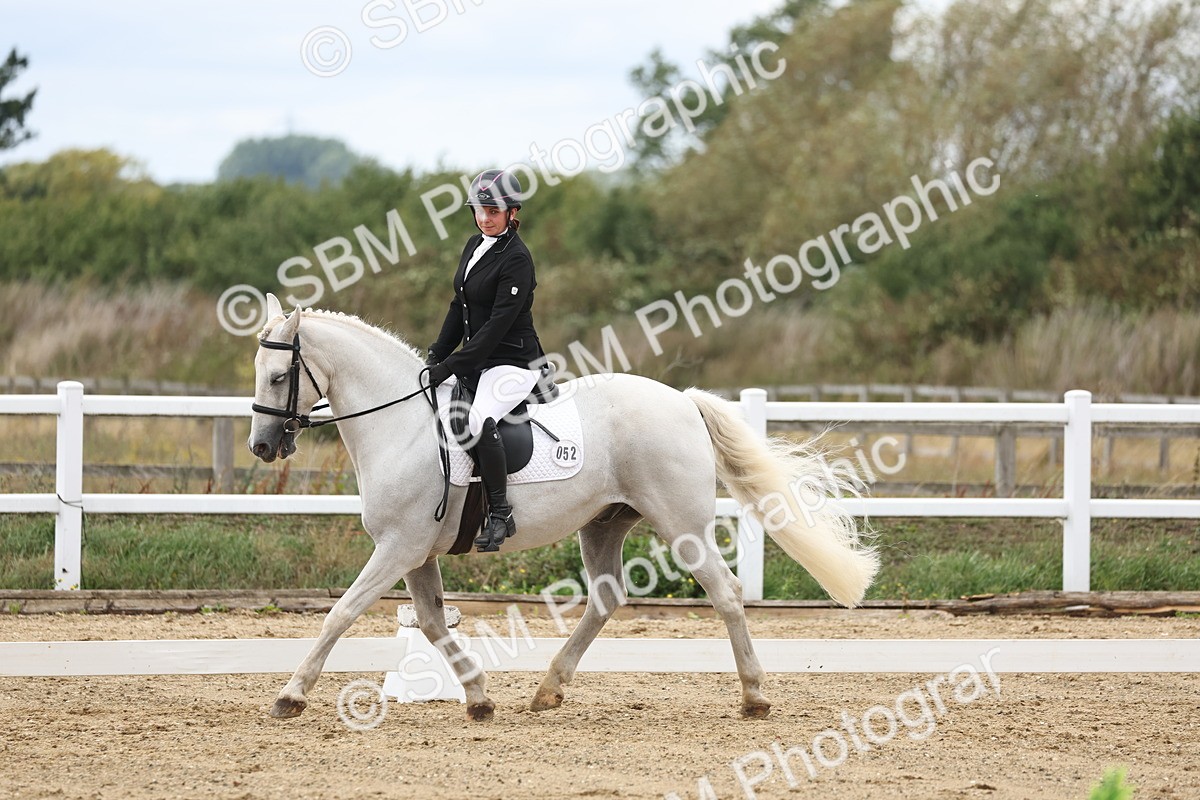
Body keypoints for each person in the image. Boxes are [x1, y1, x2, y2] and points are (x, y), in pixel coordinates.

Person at [425, 169, 546, 552]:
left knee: (478, 422)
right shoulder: (474, 244)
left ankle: (499, 512)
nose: (484, 217)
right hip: (479, 361)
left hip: (512, 363)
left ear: (512, 212)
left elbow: (495, 328)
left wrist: (453, 365)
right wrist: (436, 354)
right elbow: (457, 305)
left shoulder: (517, 260)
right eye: (479, 209)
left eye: (492, 211)